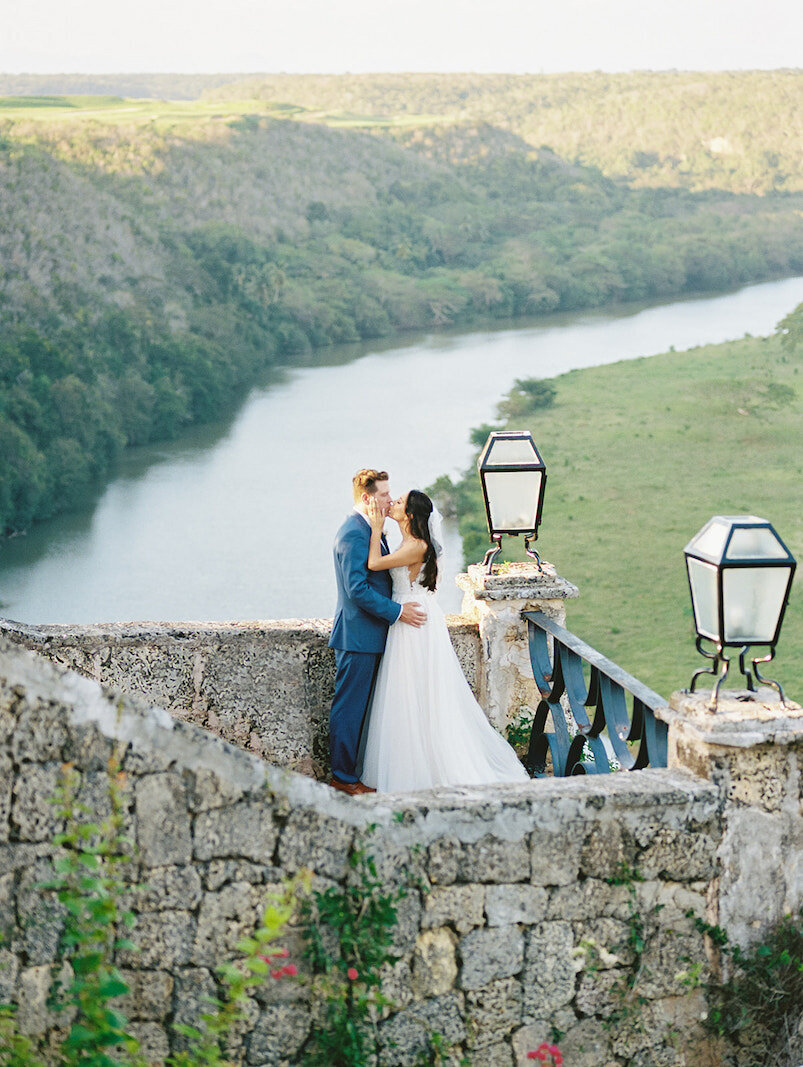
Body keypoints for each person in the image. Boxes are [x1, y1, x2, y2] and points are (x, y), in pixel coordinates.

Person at [360, 488, 530, 792]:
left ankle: (427, 767)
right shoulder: (409, 542)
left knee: (417, 690)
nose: (393, 503)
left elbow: (374, 564)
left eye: (399, 502)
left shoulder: (416, 546)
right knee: (407, 690)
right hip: (408, 614)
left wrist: (374, 529)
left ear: (410, 515)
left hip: (413, 620)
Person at [328, 469, 427, 795]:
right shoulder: (354, 532)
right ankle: (342, 778)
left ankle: (353, 774)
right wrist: (398, 612)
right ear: (368, 498)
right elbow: (357, 589)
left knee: (363, 710)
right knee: (349, 708)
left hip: (372, 635)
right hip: (358, 636)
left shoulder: (369, 528)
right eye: (385, 494)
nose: (390, 499)